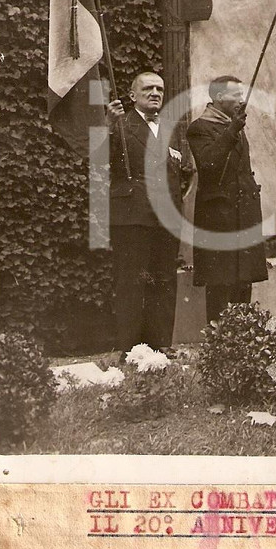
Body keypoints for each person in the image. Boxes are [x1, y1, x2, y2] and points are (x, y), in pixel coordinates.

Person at [104, 71, 191, 351]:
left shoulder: (169, 128)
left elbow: (179, 171)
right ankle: (130, 349)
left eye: (160, 89)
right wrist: (108, 126)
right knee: (131, 282)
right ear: (132, 96)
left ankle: (161, 344)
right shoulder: (120, 125)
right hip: (133, 216)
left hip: (166, 217)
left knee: (164, 279)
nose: (155, 93)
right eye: (148, 89)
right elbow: (98, 159)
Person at [187, 75, 268, 322]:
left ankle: (241, 335)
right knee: (220, 282)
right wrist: (232, 130)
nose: (241, 100)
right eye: (236, 95)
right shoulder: (200, 128)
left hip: (243, 216)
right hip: (219, 218)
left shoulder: (233, 126)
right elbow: (209, 163)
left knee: (243, 279)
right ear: (220, 97)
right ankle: (220, 337)